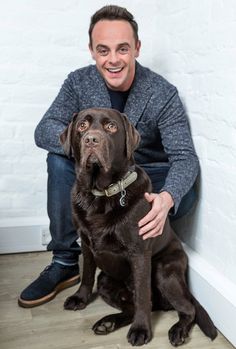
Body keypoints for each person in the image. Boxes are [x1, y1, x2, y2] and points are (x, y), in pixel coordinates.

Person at [18, 5, 199, 308]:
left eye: (122, 49)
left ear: (137, 48)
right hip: (99, 180)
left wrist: (168, 197)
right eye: (103, 50)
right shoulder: (78, 82)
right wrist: (85, 146)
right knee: (58, 161)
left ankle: (140, 248)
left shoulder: (162, 93)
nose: (113, 59)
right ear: (91, 51)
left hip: (146, 180)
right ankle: (64, 262)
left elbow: (184, 156)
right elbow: (44, 129)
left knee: (181, 190)